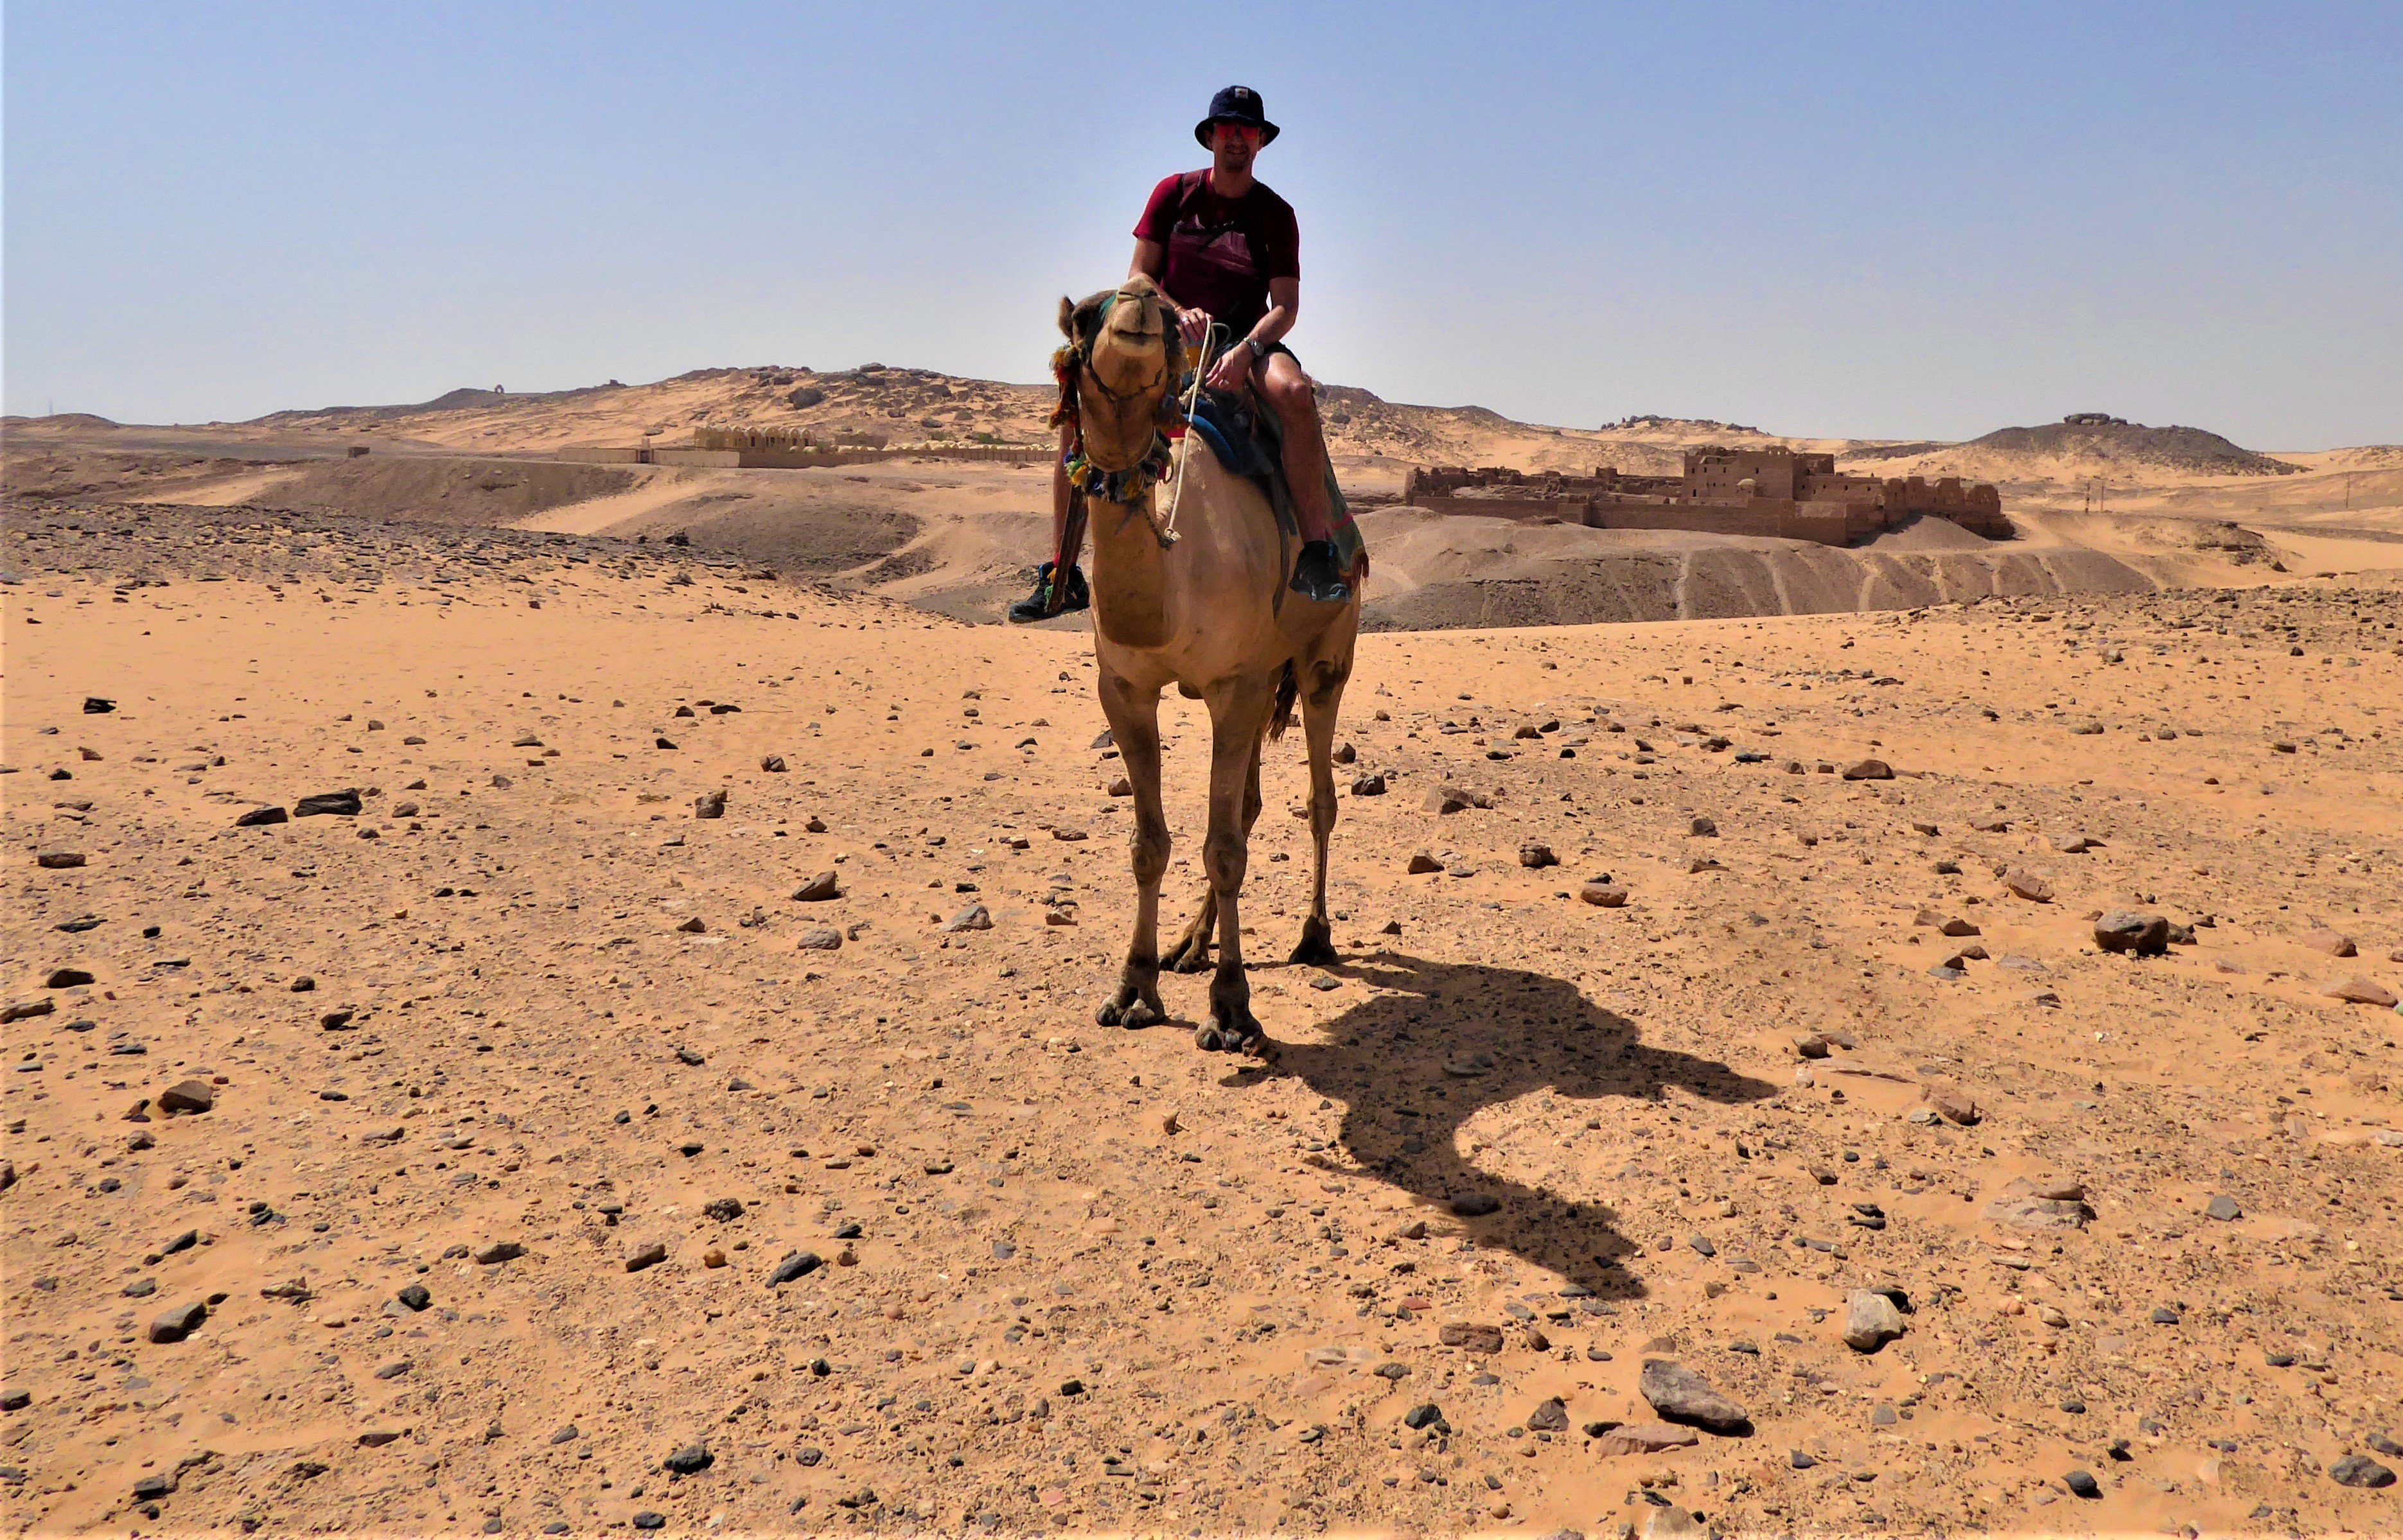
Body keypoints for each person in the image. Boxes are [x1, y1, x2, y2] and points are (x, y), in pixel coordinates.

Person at [1010, 85, 1350, 622]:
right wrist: (1176, 309)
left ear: (1260, 142)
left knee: (1294, 392)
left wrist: (1247, 349)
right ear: (1211, 136)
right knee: (1080, 410)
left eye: (1246, 130)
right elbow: (1140, 275)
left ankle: (1316, 553)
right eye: (1227, 128)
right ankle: (1063, 573)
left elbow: (1284, 306)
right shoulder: (1174, 193)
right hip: (1168, 336)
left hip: (1246, 339)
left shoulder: (1275, 214)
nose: (1236, 138)